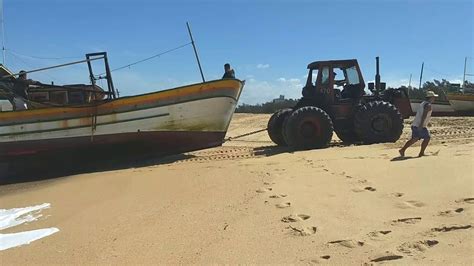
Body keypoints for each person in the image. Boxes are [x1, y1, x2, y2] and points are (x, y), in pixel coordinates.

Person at [399, 90, 438, 157]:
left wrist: (427, 122)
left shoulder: (423, 103)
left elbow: (422, 115)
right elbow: (424, 115)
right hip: (419, 125)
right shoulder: (428, 105)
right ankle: (421, 153)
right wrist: (421, 124)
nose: (434, 98)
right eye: (433, 97)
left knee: (414, 139)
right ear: (430, 98)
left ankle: (403, 150)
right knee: (427, 138)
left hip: (416, 124)